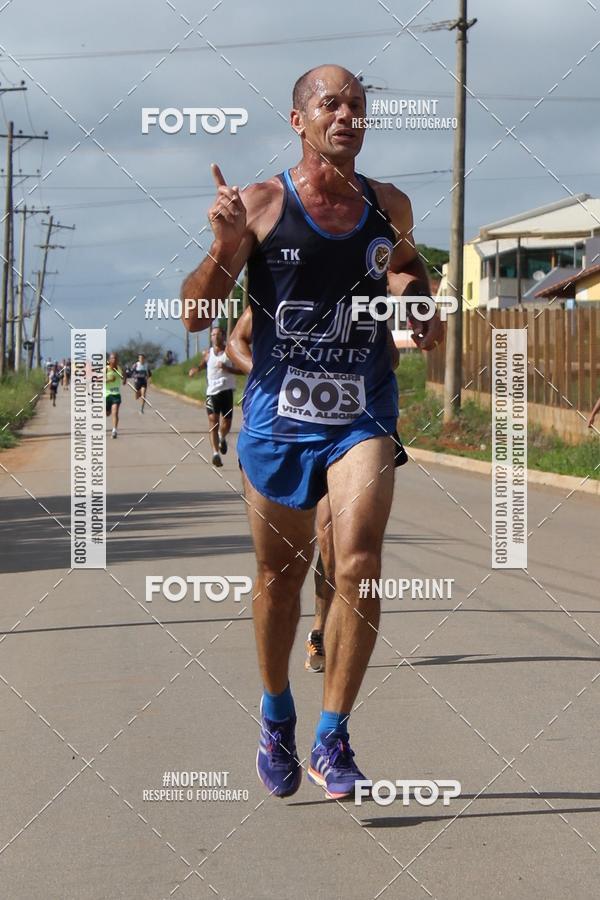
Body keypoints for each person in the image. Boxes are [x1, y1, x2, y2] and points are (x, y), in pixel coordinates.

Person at [181, 64, 442, 800]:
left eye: (358, 104)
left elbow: (408, 266)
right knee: (280, 578)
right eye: (331, 103)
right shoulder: (261, 204)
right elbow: (196, 316)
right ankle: (275, 715)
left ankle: (333, 736)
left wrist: (418, 306)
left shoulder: (389, 204)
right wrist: (219, 246)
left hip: (362, 409)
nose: (348, 115)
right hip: (276, 418)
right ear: (299, 120)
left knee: (356, 561)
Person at [228, 303, 408, 675]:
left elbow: (389, 355)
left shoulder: (357, 301)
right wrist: (269, 376)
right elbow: (236, 342)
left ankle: (320, 628)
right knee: (285, 562)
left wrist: (351, 378)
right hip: (288, 433)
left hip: (347, 433)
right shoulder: (280, 294)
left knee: (332, 540)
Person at [188, 326, 242, 467]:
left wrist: (227, 369)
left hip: (227, 392)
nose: (215, 337)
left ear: (223, 336)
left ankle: (222, 437)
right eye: (213, 334)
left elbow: (242, 370)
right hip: (211, 393)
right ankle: (215, 454)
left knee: (226, 424)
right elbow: (203, 365)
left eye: (217, 334)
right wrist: (196, 369)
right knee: (213, 422)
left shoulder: (230, 352)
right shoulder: (207, 353)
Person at [105, 352, 126, 439]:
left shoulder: (119, 369)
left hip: (116, 394)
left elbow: (124, 377)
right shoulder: (105, 369)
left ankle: (114, 430)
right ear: (109, 360)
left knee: (115, 412)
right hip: (107, 395)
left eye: (116, 358)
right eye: (112, 358)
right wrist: (109, 380)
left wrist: (124, 379)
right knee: (107, 413)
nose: (114, 360)